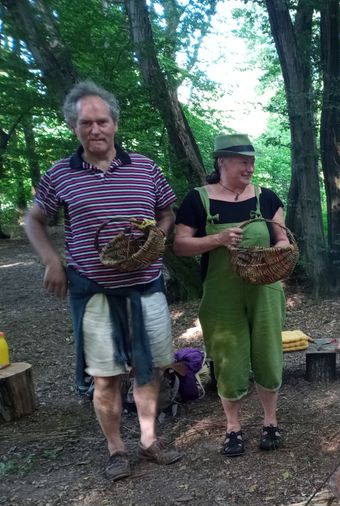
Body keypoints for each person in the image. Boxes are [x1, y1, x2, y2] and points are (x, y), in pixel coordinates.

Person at [24, 81, 183, 481]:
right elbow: (33, 220)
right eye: (85, 123)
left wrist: (160, 235)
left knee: (149, 369)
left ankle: (149, 441)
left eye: (102, 121)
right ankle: (116, 449)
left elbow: (167, 211)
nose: (95, 129)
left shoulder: (144, 166)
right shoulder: (60, 174)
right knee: (105, 375)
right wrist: (51, 261)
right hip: (93, 291)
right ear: (73, 127)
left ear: (115, 124)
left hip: (146, 286)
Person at [173, 134, 290, 457]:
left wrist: (280, 252)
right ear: (222, 162)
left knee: (268, 353)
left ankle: (270, 421)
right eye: (243, 162)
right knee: (229, 359)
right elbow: (180, 245)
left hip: (264, 289)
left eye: (252, 162)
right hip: (221, 294)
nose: (250, 168)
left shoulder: (266, 198)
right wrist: (218, 239)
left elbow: (282, 238)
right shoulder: (198, 200)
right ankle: (233, 427)